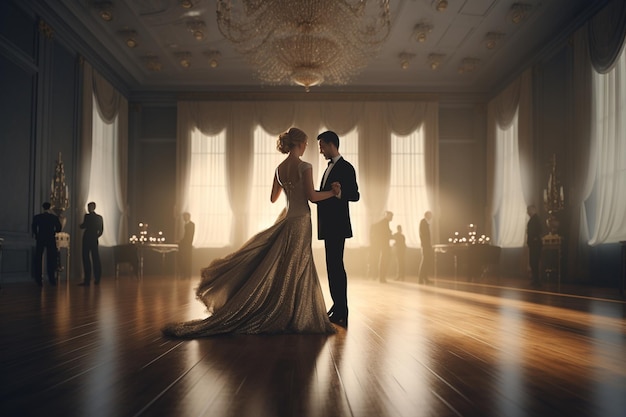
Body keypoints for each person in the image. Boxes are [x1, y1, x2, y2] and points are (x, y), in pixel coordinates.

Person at [162, 127, 339, 338]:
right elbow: (311, 196)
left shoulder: (279, 169)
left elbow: (273, 197)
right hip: (301, 221)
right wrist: (333, 193)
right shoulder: (305, 166)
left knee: (286, 266)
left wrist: (290, 192)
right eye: (306, 145)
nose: (306, 149)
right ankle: (296, 316)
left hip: (289, 219)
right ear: (299, 144)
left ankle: (287, 312)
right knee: (299, 265)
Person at [315, 130, 360, 328]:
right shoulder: (328, 168)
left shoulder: (346, 167)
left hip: (337, 225)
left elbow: (356, 195)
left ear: (331, 144)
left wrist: (340, 192)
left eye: (322, 146)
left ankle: (342, 308)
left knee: (336, 267)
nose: (320, 150)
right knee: (332, 267)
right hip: (328, 225)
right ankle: (337, 305)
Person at [32, 202, 62, 286]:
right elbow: (59, 228)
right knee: (51, 259)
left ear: (43, 207)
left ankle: (38, 279)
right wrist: (53, 232)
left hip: (41, 238)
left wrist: (37, 235)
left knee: (38, 258)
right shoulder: (54, 217)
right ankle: (51, 279)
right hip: (50, 239)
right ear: (50, 208)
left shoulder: (37, 217)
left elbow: (34, 227)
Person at [78, 202, 103, 286]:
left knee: (86, 258)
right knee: (96, 258)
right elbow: (101, 230)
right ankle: (97, 278)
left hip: (86, 238)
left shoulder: (87, 216)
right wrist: (96, 236)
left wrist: (79, 225)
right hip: (94, 239)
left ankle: (87, 280)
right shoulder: (99, 217)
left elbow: (83, 226)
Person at [369, 211, 394, 283]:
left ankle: (382, 277)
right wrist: (392, 236)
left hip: (382, 245)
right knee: (384, 261)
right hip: (384, 245)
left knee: (383, 261)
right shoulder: (384, 223)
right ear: (387, 215)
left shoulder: (383, 222)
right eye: (391, 216)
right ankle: (382, 278)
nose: (392, 218)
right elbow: (385, 235)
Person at [526, 205, 543, 288]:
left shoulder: (536, 219)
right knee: (533, 262)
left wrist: (535, 239)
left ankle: (537, 280)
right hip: (533, 244)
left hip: (535, 244)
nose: (528, 212)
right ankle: (535, 279)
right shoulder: (533, 219)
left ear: (533, 210)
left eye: (529, 210)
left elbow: (539, 230)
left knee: (535, 262)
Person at [177, 212, 195, 279]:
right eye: (184, 217)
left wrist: (181, 242)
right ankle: (184, 274)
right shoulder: (186, 224)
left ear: (188, 217)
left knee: (187, 260)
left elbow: (189, 236)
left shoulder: (191, 224)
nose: (184, 218)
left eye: (185, 216)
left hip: (187, 245)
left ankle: (187, 275)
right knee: (184, 260)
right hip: (185, 245)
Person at [418, 210, 434, 285]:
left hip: (426, 245)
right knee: (424, 261)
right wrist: (427, 245)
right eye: (430, 215)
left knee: (426, 261)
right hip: (425, 246)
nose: (431, 216)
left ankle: (424, 278)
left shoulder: (425, 222)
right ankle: (421, 278)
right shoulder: (423, 222)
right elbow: (424, 235)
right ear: (427, 215)